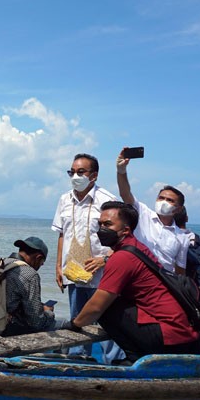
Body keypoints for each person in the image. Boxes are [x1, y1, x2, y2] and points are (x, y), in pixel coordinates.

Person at [68, 201, 200, 365]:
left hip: (171, 336)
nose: (101, 229)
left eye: (108, 224)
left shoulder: (122, 258)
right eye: (100, 224)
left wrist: (74, 324)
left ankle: (135, 357)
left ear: (126, 230)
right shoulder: (138, 247)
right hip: (185, 331)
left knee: (107, 308)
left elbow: (96, 306)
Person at [51, 153, 123, 362]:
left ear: (94, 176)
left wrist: (105, 259)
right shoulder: (65, 200)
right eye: (72, 172)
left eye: (81, 172)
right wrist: (58, 266)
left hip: (101, 272)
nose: (75, 176)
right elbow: (62, 234)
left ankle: (115, 363)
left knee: (107, 319)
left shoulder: (107, 201)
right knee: (78, 319)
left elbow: (121, 236)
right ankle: (78, 361)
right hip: (74, 271)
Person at [116, 148, 188, 274]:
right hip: (133, 276)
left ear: (179, 208)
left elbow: (180, 270)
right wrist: (121, 171)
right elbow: (125, 193)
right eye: (161, 198)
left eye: (170, 200)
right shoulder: (143, 213)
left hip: (160, 284)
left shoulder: (182, 238)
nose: (163, 202)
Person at [1, 237, 67, 336]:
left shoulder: (1, 263)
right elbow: (36, 322)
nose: (41, 265)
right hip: (10, 328)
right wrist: (48, 313)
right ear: (38, 257)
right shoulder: (30, 274)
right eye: (42, 263)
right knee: (64, 325)